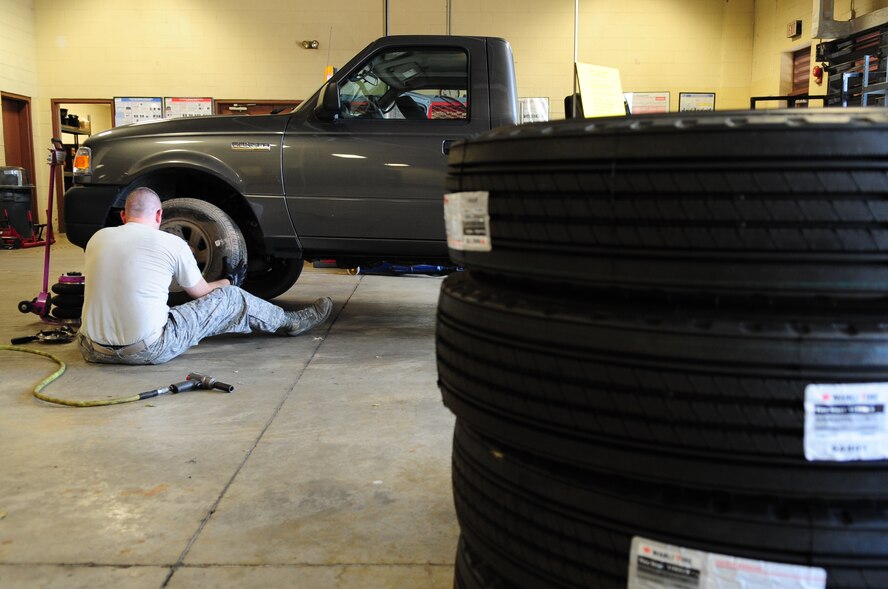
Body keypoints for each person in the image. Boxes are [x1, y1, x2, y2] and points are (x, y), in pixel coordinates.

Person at [77, 187, 332, 365]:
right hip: (147, 350)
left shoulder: (97, 239)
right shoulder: (170, 243)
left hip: (92, 349)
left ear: (123, 216)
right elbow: (200, 292)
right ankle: (290, 321)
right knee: (231, 298)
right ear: (158, 215)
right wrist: (228, 281)